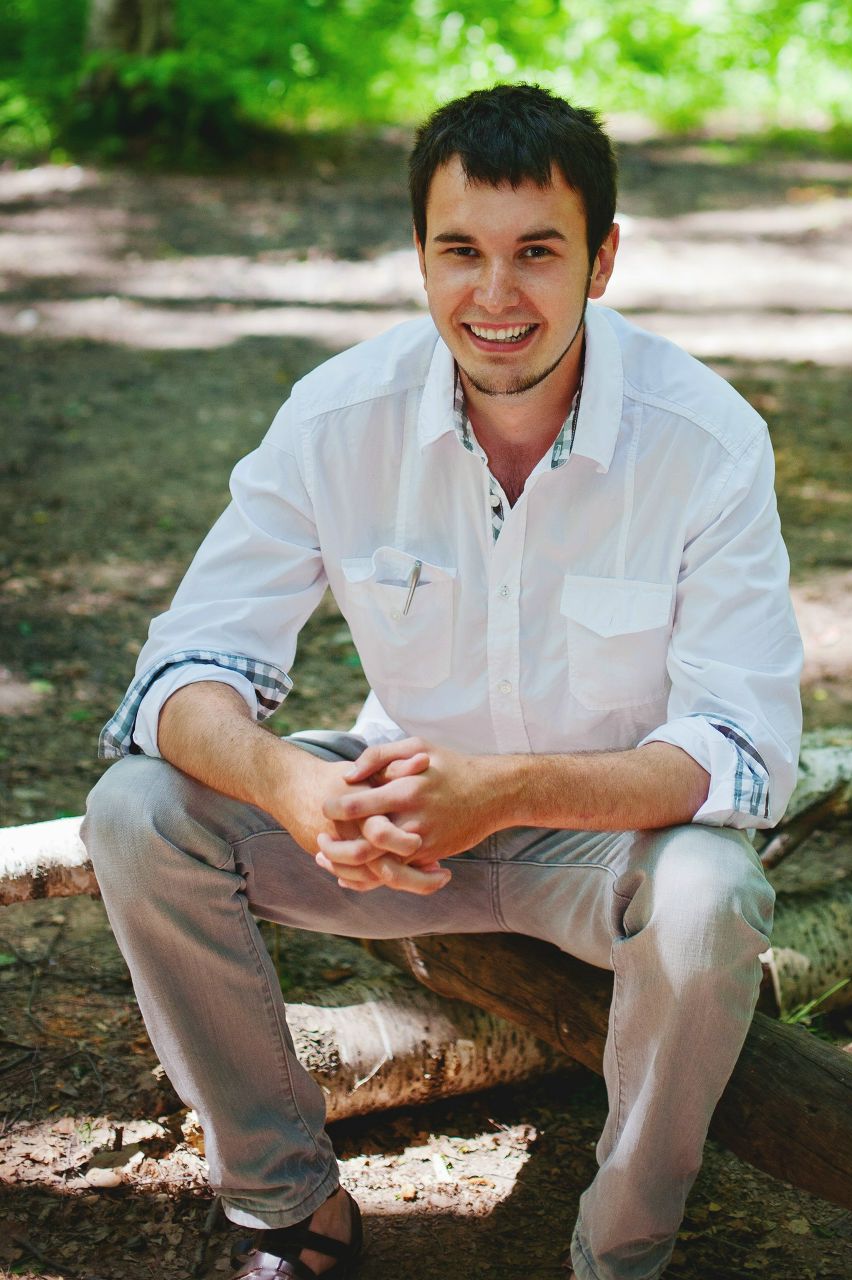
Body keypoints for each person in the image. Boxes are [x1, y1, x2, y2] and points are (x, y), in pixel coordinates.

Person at [82, 83, 802, 1280]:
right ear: (418, 255)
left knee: (710, 892)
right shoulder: (336, 416)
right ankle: (286, 1205)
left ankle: (619, 1254)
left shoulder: (705, 440)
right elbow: (181, 670)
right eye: (460, 250)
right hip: (397, 831)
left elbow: (738, 749)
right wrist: (294, 787)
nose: (494, 294)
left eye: (537, 252)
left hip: (605, 848)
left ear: (602, 259)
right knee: (136, 810)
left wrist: (506, 788)